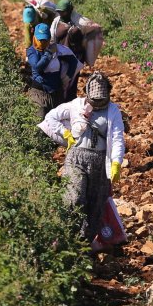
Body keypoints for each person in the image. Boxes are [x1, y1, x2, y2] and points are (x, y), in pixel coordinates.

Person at [40, 72, 126, 246]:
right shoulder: (76, 105)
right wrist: (64, 132)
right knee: (74, 197)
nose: (98, 104)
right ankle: (63, 237)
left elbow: (117, 138)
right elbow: (50, 117)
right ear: (87, 93)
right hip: (76, 157)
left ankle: (82, 245)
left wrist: (116, 162)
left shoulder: (113, 110)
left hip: (100, 162)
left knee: (95, 205)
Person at [25, 23, 61, 116]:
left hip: (55, 93)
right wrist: (48, 53)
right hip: (39, 93)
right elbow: (37, 67)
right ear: (35, 38)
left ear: (49, 38)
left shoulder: (55, 48)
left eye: (45, 40)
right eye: (40, 40)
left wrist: (68, 76)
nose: (42, 42)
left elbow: (72, 60)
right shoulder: (31, 51)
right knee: (39, 120)